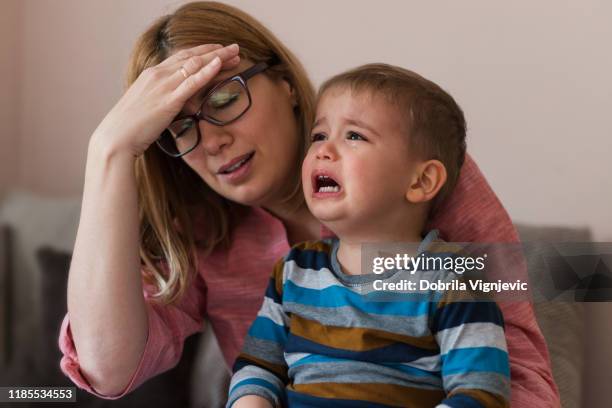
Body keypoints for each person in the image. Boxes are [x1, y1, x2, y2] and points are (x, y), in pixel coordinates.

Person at [59, 2, 558, 407]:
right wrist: (108, 151)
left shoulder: (409, 164)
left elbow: (521, 367)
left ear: (285, 84)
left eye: (224, 101)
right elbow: (106, 369)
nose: (211, 142)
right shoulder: (197, 232)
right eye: (182, 128)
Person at [227, 63, 510, 408]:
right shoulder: (294, 271)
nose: (323, 150)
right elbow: (258, 365)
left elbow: (479, 393)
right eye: (319, 135)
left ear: (420, 181)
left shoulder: (453, 279)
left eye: (354, 136)